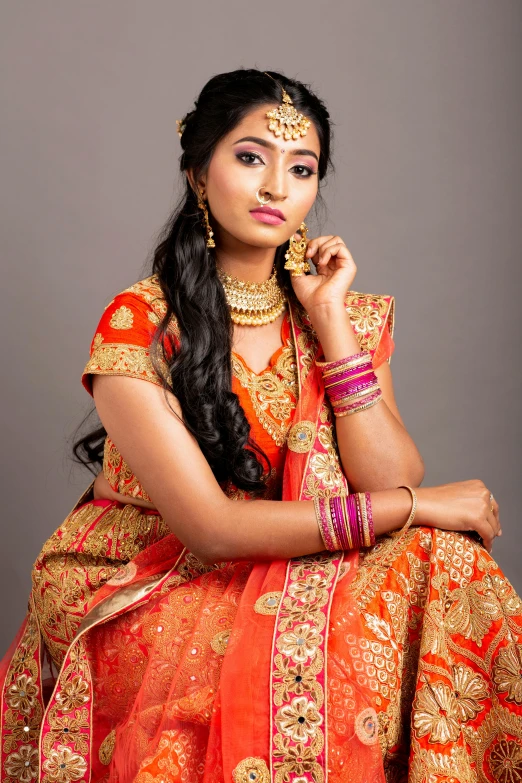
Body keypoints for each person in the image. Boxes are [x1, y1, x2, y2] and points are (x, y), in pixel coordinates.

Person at [1, 68, 520, 783]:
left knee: (448, 564)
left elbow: (389, 473)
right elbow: (212, 529)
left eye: (300, 169)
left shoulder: (345, 313)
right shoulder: (142, 323)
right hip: (158, 578)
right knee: (308, 639)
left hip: (303, 559)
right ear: (197, 169)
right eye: (251, 158)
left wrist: (332, 324)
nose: (276, 187)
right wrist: (416, 507)